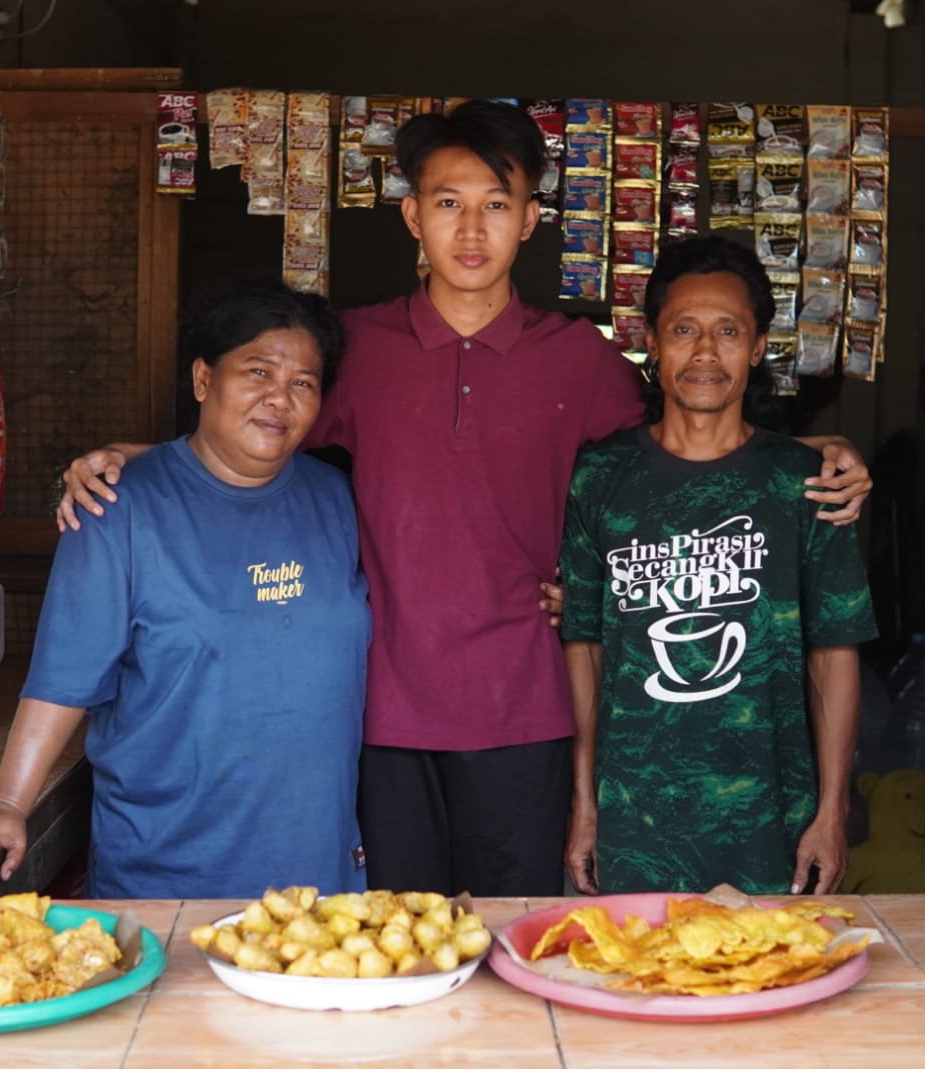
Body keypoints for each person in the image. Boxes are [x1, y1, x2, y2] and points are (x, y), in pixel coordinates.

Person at [56, 102, 872, 897]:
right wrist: (135, 458)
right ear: (412, 215)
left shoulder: (578, 362)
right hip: (384, 710)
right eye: (449, 204)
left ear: (530, 219)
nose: (472, 231)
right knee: (399, 944)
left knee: (511, 938)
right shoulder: (359, 348)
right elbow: (252, 435)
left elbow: (690, 445)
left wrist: (821, 454)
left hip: (526, 707)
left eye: (496, 205)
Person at [0, 282, 371, 899]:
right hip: (169, 874)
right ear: (203, 379)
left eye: (304, 383)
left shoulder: (338, 501)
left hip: (319, 875)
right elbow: (63, 677)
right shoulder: (116, 507)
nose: (279, 398)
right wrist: (7, 801)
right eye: (258, 371)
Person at [560, 235, 878, 898]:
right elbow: (585, 647)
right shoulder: (600, 477)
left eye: (728, 331)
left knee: (774, 987)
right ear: (650, 340)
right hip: (636, 822)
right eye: (684, 330)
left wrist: (831, 812)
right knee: (634, 988)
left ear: (759, 346)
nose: (706, 352)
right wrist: (585, 801)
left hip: (775, 824)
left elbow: (834, 655)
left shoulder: (807, 483)